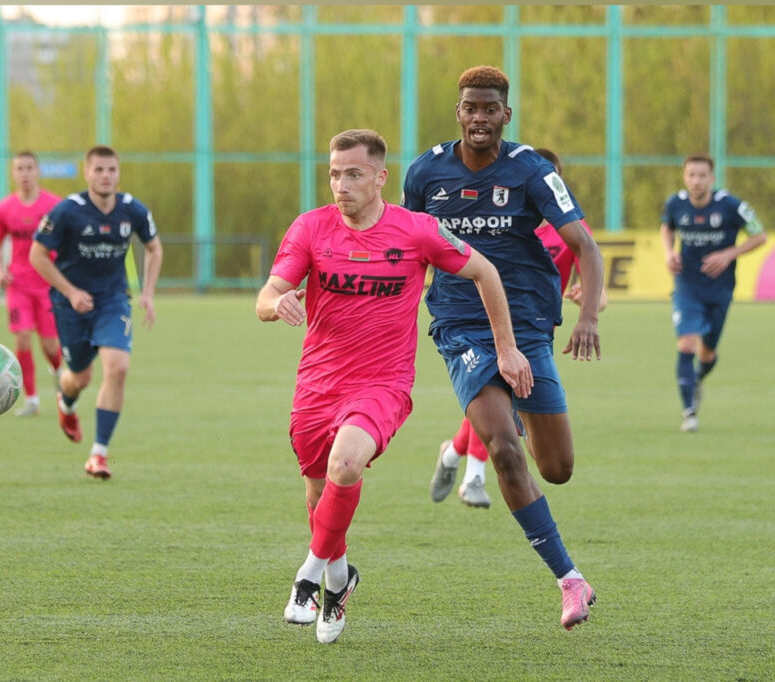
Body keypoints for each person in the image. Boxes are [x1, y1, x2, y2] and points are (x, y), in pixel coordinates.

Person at [257, 129, 532, 644]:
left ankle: (308, 577)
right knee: (319, 495)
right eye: (334, 174)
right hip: (317, 386)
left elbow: (486, 272)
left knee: (345, 465)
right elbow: (266, 297)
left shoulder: (417, 230)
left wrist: (506, 348)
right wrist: (279, 303)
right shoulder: (310, 228)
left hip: (383, 382)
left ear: (381, 177)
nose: (341, 185)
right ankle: (339, 581)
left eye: (353, 174)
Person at [402, 65, 604, 631]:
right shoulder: (425, 172)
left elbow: (585, 246)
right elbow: (408, 247)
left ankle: (467, 440)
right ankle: (570, 580)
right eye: (471, 107)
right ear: (458, 112)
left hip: (529, 325)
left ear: (505, 115)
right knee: (505, 451)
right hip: (461, 326)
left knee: (557, 469)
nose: (480, 118)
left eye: (490, 108)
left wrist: (588, 316)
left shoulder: (532, 171)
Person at [430, 148, 608, 509]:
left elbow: (594, 279)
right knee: (497, 406)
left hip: (534, 331)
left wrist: (590, 306)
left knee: (515, 424)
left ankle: (451, 453)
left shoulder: (568, 229)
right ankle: (473, 478)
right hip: (482, 326)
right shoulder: (494, 218)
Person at [29, 145, 163, 480]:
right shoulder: (67, 211)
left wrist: (147, 293)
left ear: (119, 173)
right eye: (99, 170)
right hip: (70, 305)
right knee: (80, 378)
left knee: (117, 367)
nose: (106, 176)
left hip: (112, 301)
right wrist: (71, 292)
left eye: (111, 170)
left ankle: (98, 454)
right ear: (86, 173)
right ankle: (66, 403)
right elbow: (37, 255)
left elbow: (154, 248)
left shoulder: (132, 210)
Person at [660, 154, 767, 432]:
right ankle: (689, 413)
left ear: (712, 178)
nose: (696, 181)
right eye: (691, 175)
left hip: (720, 289)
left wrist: (729, 254)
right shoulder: (675, 203)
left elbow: (760, 235)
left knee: (707, 353)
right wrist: (669, 252)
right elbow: (667, 227)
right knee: (686, 344)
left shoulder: (731, 205)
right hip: (687, 285)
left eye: (702, 175)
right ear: (685, 177)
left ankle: (697, 379)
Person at [0, 151, 64, 417]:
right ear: (13, 173)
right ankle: (31, 399)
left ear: (38, 171)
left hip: (48, 285)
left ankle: (60, 376)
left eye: (29, 168)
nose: (25, 173)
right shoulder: (5, 208)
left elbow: (67, 243)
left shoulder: (55, 206)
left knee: (50, 345)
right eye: (19, 168)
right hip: (18, 285)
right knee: (22, 338)